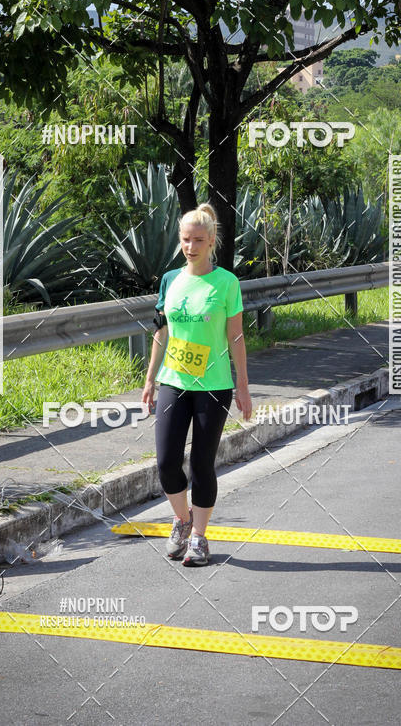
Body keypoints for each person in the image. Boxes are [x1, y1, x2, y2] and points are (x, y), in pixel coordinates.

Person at [142, 203, 252, 566]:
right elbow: (162, 332)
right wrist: (150, 379)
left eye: (199, 241)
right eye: (186, 240)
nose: (191, 247)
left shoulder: (226, 283)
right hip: (174, 381)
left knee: (202, 463)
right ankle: (182, 520)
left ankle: (200, 539)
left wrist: (243, 387)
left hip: (214, 385)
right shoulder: (170, 280)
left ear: (212, 242)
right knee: (166, 463)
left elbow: (236, 337)